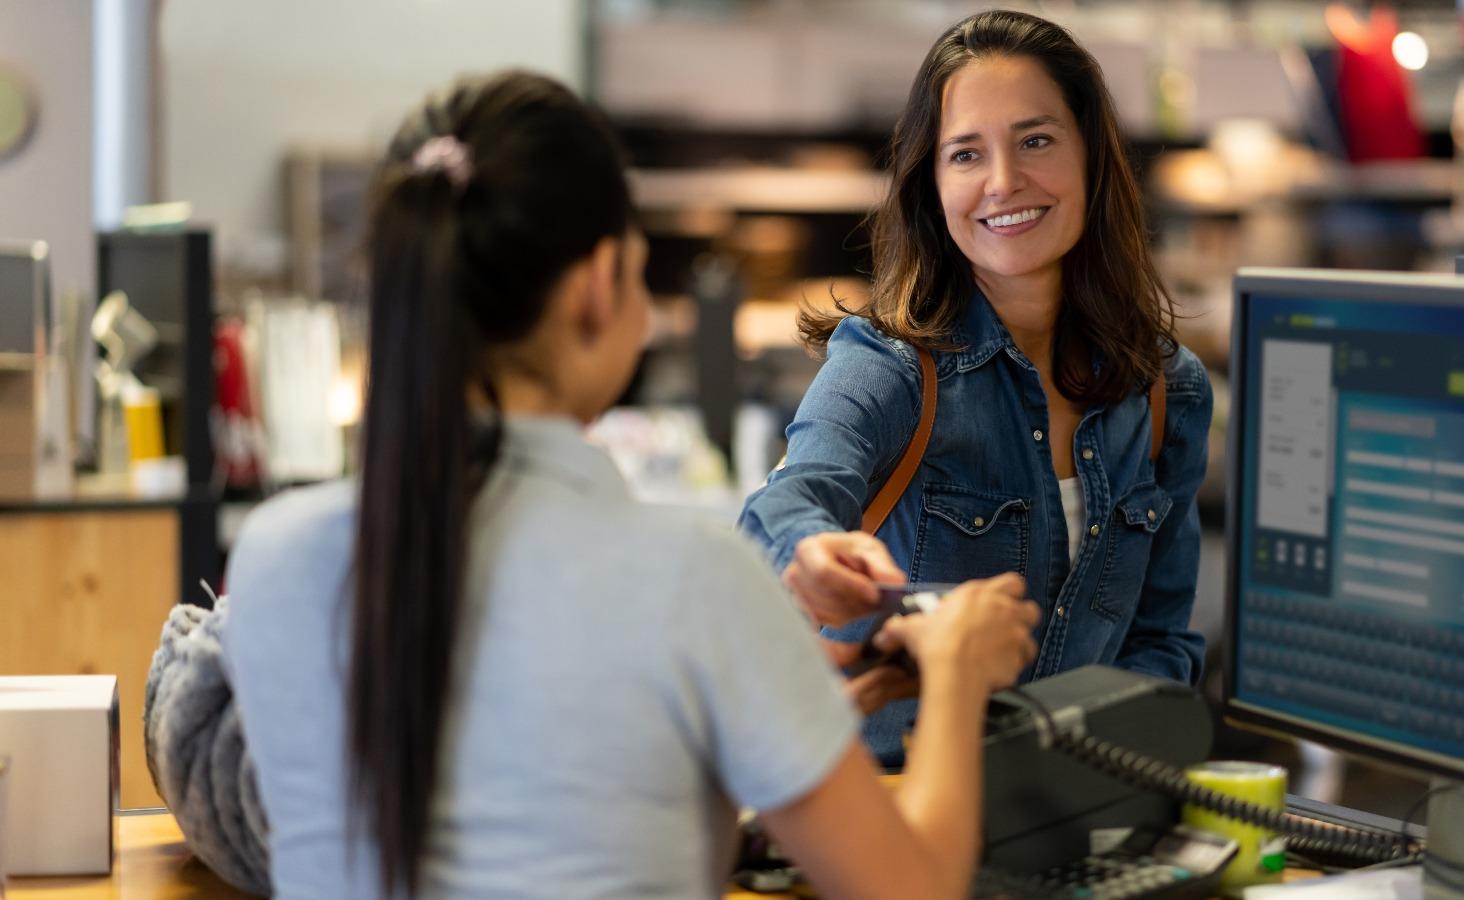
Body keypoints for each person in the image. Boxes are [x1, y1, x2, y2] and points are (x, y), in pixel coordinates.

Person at [219, 70, 1040, 899]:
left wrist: (789, 708)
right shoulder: (696, 576)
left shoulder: (273, 556)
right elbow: (917, 890)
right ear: (597, 284)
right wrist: (961, 675)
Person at [738, 9, 1213, 767]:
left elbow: (1160, 642)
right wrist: (811, 555)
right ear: (932, 183)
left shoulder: (1168, 394)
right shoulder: (891, 365)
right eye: (965, 154)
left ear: (1091, 155)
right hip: (896, 814)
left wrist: (1108, 772)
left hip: (1075, 820)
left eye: (1035, 140)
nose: (1003, 182)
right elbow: (787, 504)